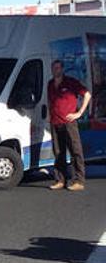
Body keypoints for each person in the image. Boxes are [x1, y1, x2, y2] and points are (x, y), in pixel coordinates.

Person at [47, 60, 92, 192]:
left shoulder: (70, 82)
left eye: (57, 68)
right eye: (53, 68)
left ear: (62, 69)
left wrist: (79, 113)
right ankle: (60, 180)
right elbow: (50, 100)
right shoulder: (50, 84)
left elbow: (87, 95)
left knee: (75, 151)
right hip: (55, 123)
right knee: (58, 152)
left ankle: (79, 180)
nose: (55, 70)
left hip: (69, 123)